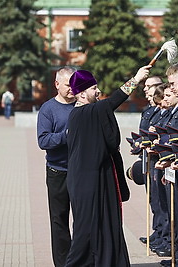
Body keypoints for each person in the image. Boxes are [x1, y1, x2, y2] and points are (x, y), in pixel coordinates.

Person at [65, 65, 151, 267]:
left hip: (98, 177)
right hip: (87, 183)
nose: (98, 91)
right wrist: (136, 78)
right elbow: (113, 102)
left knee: (106, 224)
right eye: (94, 88)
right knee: (85, 231)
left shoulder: (88, 111)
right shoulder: (82, 114)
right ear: (82, 93)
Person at [37, 66, 77, 267]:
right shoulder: (48, 109)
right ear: (57, 84)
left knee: (82, 219)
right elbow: (43, 141)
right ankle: (62, 263)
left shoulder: (82, 105)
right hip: (57, 172)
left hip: (80, 173)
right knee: (59, 221)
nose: (72, 89)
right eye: (68, 85)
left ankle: (81, 260)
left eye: (75, 84)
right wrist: (66, 136)